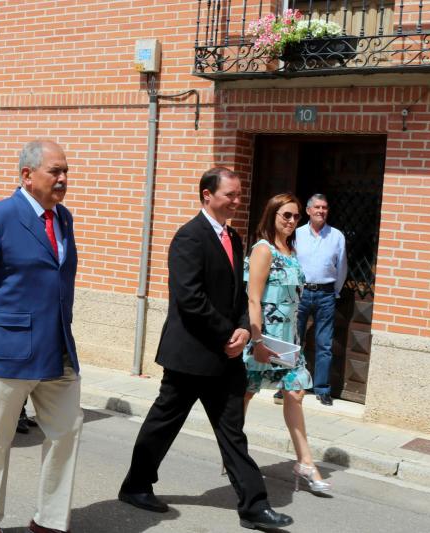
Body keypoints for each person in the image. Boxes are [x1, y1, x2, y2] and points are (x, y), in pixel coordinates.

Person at [118, 167, 294, 531]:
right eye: (229, 194)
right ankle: (136, 485)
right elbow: (190, 298)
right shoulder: (189, 237)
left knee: (232, 431)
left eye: (238, 194)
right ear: (206, 195)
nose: (236, 201)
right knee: (163, 423)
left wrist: (245, 329)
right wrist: (227, 334)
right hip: (191, 355)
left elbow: (237, 294)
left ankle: (253, 505)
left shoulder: (233, 237)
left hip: (227, 356)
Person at [0, 140, 82, 533]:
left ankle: (50, 521)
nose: (62, 179)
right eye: (54, 171)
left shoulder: (63, 218)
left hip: (57, 346)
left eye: (65, 172)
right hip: (10, 349)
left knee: (65, 433)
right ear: (27, 175)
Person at [243, 193, 330, 495]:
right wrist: (255, 341)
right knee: (245, 396)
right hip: (263, 338)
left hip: (288, 342)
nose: (292, 222)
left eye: (296, 217)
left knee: (295, 392)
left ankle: (305, 463)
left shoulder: (290, 251)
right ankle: (234, 454)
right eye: (286, 216)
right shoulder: (263, 250)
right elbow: (253, 297)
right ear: (272, 216)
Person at [295, 193, 347, 406]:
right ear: (308, 211)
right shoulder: (297, 234)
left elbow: (342, 267)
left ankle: (322, 388)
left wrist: (334, 291)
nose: (321, 211)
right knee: (293, 341)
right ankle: (289, 385)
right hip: (300, 292)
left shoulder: (336, 236)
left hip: (326, 293)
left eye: (324, 207)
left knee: (324, 343)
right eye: (317, 207)